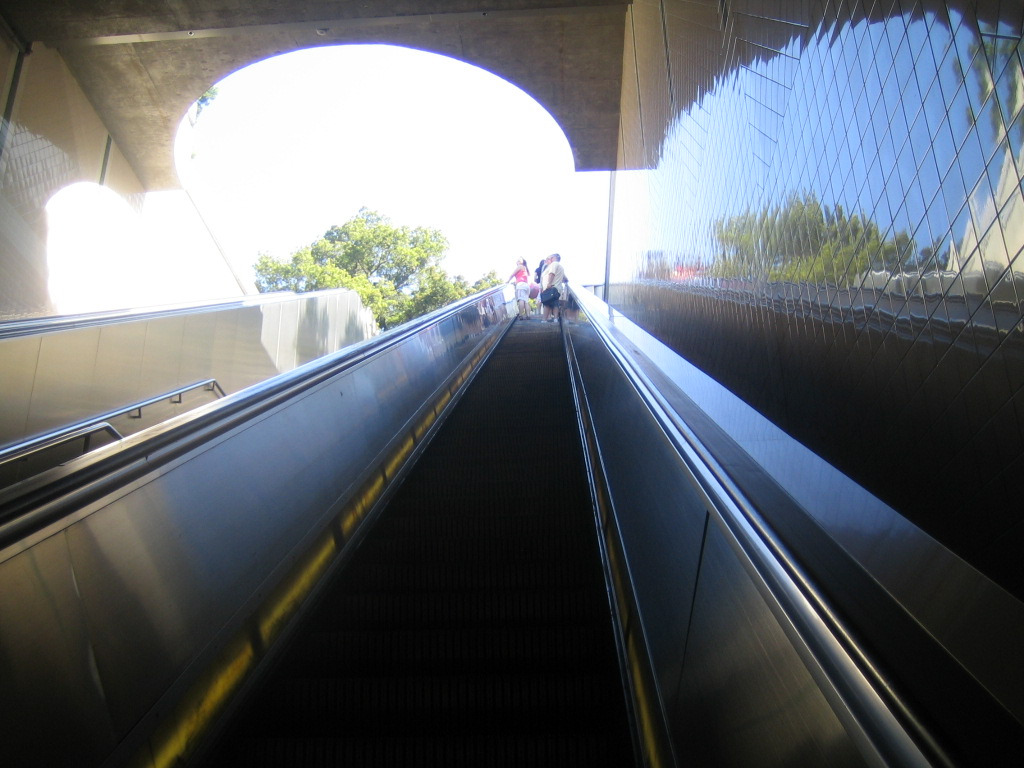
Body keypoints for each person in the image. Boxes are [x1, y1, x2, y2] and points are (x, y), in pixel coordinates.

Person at [540, 253, 566, 322]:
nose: (549, 259)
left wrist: (549, 284)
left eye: (550, 258)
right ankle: (555, 319)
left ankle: (544, 319)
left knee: (547, 303)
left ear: (554, 258)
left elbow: (552, 273)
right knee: (555, 302)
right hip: (557, 288)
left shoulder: (554, 264)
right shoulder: (560, 267)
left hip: (551, 287)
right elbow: (565, 278)